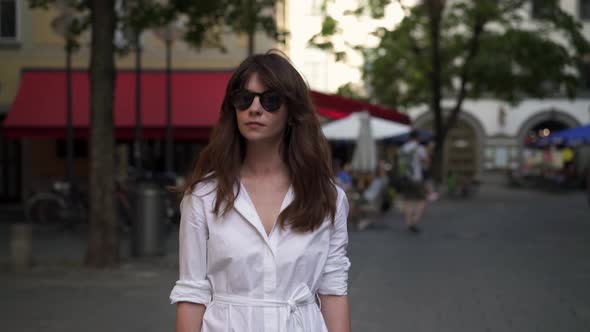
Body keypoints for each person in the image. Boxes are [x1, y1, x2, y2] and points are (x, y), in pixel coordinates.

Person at [170, 51, 351, 332]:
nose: (255, 108)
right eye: (244, 99)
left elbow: (333, 290)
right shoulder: (204, 196)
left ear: (291, 112)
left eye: (270, 100)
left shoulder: (327, 197)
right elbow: (191, 294)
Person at [397, 130, 429, 234]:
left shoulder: (402, 148)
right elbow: (426, 162)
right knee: (423, 199)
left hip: (405, 178)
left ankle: (408, 222)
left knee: (408, 200)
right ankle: (414, 220)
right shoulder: (419, 148)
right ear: (417, 138)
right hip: (416, 178)